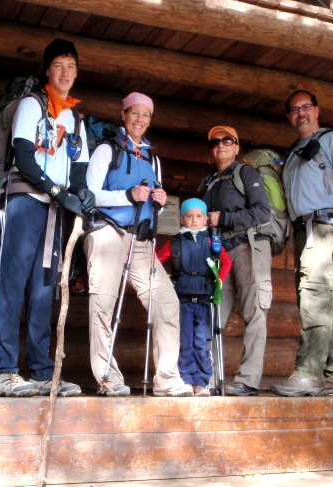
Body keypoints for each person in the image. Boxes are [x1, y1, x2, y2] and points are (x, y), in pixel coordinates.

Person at [0, 38, 95, 397]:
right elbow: (25, 157)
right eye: (59, 66)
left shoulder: (75, 117)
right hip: (24, 203)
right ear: (48, 70)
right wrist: (56, 191)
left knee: (44, 290)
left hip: (55, 210)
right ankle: (2, 372)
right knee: (11, 285)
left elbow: (78, 168)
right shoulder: (33, 105)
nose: (65, 73)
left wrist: (81, 193)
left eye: (71, 67)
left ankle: (42, 371)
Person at [84, 92, 193, 397]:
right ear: (124, 115)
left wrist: (159, 201)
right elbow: (89, 194)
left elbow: (150, 197)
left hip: (141, 239)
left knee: (167, 303)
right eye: (134, 113)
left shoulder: (153, 159)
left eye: (145, 115)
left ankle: (167, 379)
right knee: (103, 305)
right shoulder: (108, 149)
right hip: (108, 233)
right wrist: (127, 196)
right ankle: (108, 378)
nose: (139, 120)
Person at [270, 90, 333, 397]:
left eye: (305, 107)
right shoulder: (294, 152)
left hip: (326, 226)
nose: (301, 113)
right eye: (294, 110)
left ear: (317, 110)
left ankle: (309, 374)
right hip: (304, 231)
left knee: (313, 296)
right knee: (317, 299)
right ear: (288, 116)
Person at [200, 126, 272, 396]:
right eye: (216, 142)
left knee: (255, 312)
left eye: (227, 140)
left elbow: (263, 211)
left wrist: (224, 219)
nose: (221, 145)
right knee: (214, 313)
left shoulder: (245, 173)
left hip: (248, 246)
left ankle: (247, 379)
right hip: (219, 253)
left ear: (237, 147)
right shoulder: (208, 181)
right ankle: (207, 377)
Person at [156, 198, 232, 397]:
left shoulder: (212, 242)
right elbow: (157, 261)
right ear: (182, 219)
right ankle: (186, 380)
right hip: (183, 300)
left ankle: (202, 381)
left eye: (199, 216)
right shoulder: (176, 242)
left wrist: (219, 281)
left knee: (202, 340)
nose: (194, 220)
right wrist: (166, 282)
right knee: (185, 340)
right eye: (189, 216)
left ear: (206, 219)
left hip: (205, 300)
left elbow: (226, 263)